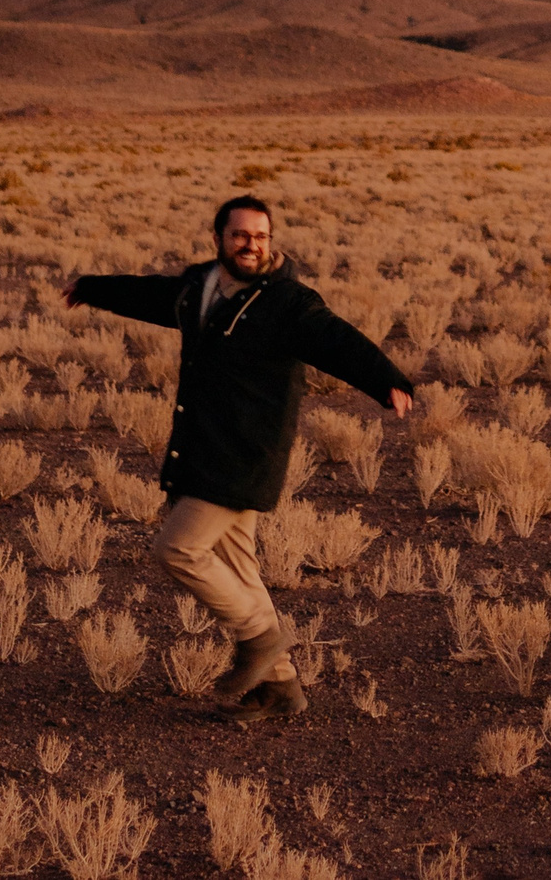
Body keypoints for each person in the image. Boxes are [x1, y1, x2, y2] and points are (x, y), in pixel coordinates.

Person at [65, 194, 413, 722]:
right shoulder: (199, 288)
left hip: (245, 456)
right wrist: (93, 289)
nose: (251, 245)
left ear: (270, 242)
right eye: (241, 235)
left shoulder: (287, 303)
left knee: (177, 549)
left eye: (261, 236)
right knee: (239, 568)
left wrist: (385, 379)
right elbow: (151, 296)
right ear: (219, 239)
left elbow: (335, 339)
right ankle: (281, 689)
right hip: (203, 448)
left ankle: (259, 640)